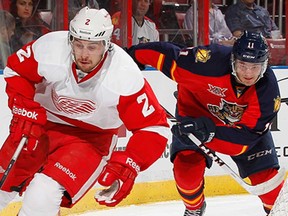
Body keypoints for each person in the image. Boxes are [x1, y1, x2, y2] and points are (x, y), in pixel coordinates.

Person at [0, 7, 169, 215]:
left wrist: (131, 162)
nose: (83, 54)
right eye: (78, 44)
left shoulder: (123, 73)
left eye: (92, 47)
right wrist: (24, 109)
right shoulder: (51, 47)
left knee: (42, 195)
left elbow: (154, 128)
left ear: (107, 45)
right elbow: (16, 71)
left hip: (91, 139)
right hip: (42, 124)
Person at [127, 31, 284, 215]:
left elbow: (242, 142)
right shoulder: (208, 63)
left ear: (265, 65)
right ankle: (194, 209)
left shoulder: (268, 92)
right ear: (233, 59)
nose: (248, 73)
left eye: (254, 66)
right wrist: (129, 56)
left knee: (270, 188)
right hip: (194, 118)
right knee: (186, 173)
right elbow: (169, 55)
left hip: (239, 133)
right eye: (242, 64)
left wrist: (210, 133)